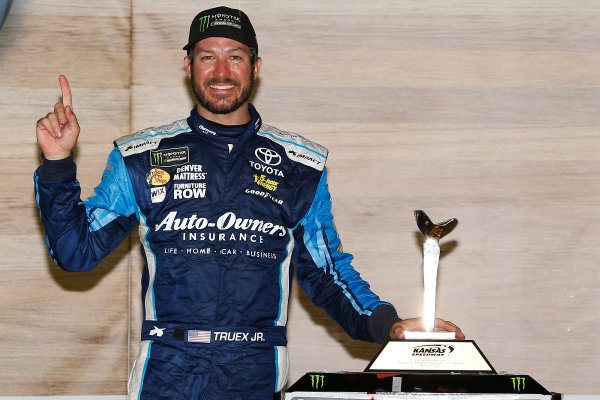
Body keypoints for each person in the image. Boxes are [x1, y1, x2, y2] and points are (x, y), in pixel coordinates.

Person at [34, 6, 464, 400]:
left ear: (255, 67)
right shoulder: (140, 158)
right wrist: (56, 164)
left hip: (256, 376)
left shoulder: (301, 166)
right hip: (166, 375)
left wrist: (387, 324)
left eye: (235, 57)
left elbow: (329, 275)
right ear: (188, 66)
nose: (221, 71)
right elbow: (75, 252)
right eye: (207, 56)